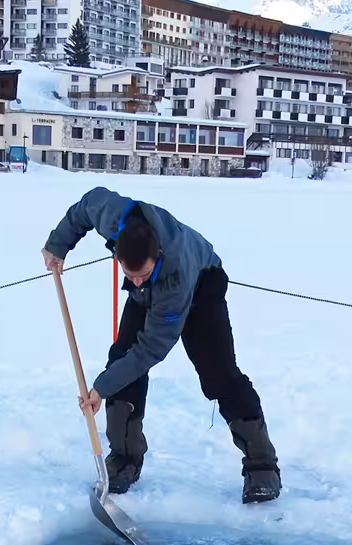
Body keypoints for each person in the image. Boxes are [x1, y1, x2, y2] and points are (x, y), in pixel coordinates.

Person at [42, 187, 280, 504]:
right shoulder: (112, 215)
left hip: (202, 284)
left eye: (142, 274)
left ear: (157, 257)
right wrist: (57, 245)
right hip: (155, 288)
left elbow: (150, 349)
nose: (135, 281)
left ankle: (262, 468)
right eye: (130, 275)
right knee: (121, 361)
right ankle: (124, 460)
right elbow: (85, 206)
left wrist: (101, 387)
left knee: (219, 375)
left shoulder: (175, 275)